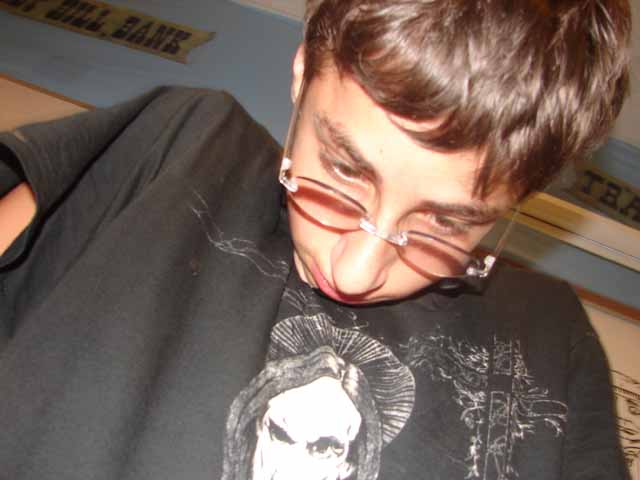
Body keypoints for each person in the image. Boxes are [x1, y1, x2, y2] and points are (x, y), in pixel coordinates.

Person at [0, 0, 632, 479]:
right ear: (303, 75)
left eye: (445, 224)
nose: (357, 271)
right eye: (343, 170)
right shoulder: (181, 145)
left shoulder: (553, 335)